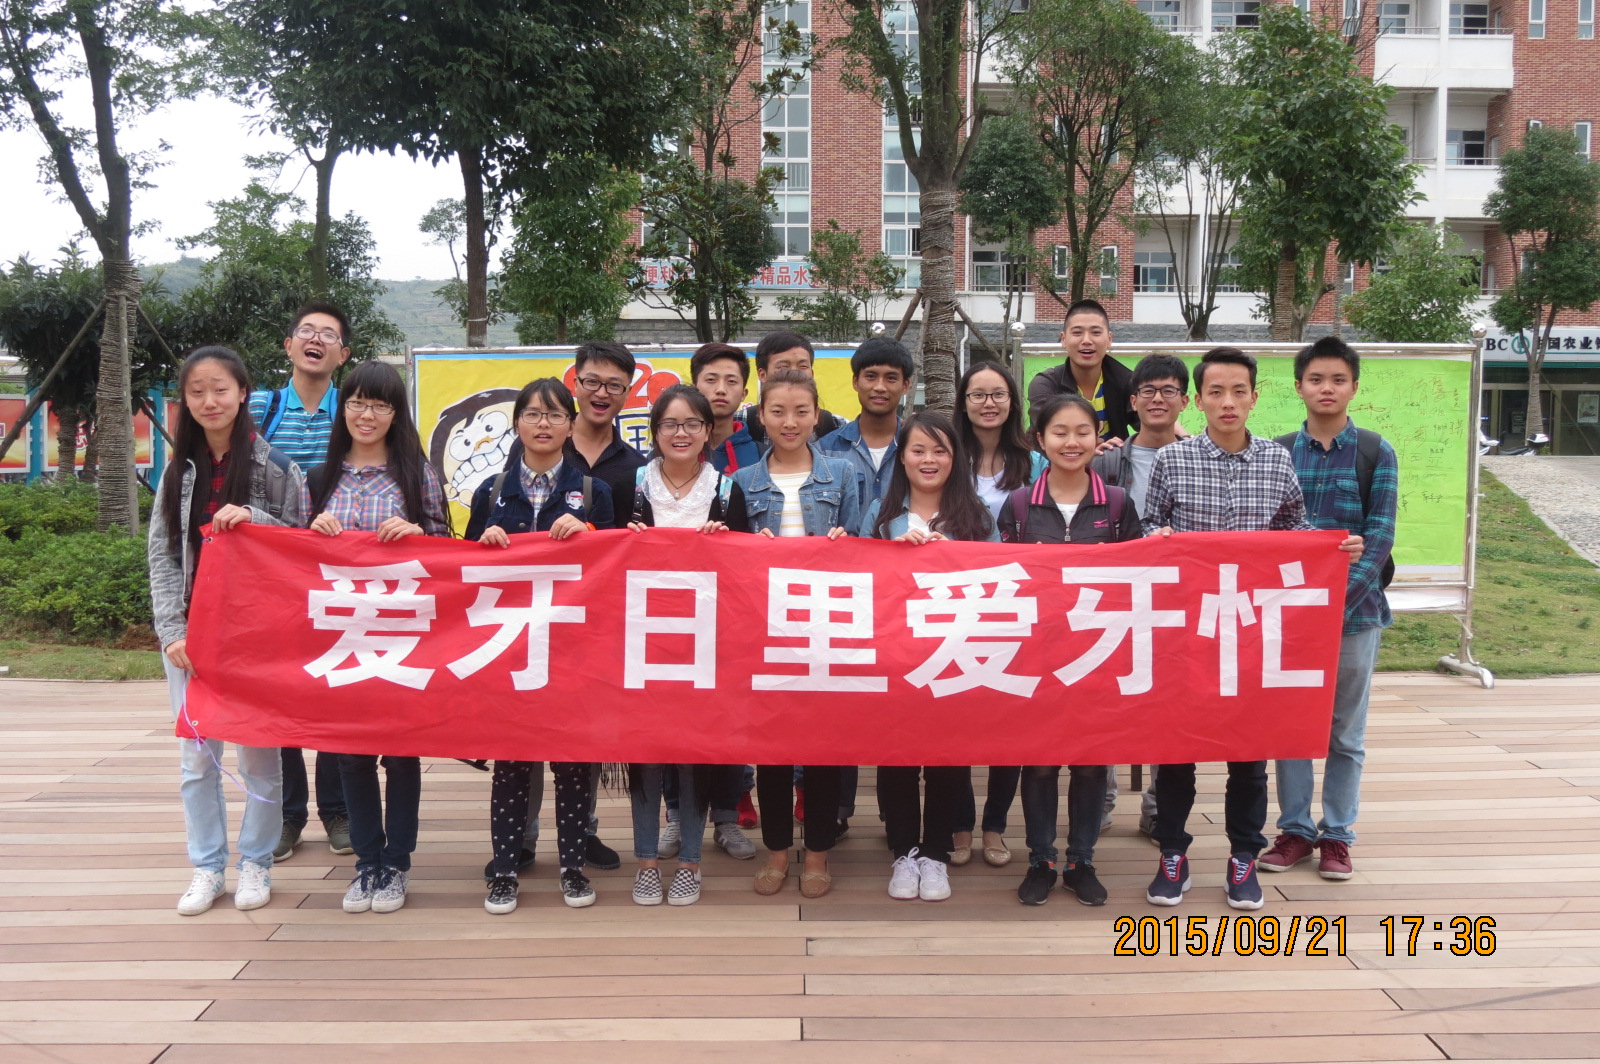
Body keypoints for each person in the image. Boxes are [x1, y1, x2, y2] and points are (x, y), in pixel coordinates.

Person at [1140, 347, 1364, 911]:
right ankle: (1173, 854)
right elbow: (1149, 527)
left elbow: (1294, 530)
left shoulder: (1275, 459)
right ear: (1197, 401)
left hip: (1251, 634)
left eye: (1238, 391)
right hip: (1187, 634)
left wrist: (1332, 548)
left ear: (1255, 397)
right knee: (1176, 749)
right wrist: (1156, 540)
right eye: (1215, 392)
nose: (1228, 402)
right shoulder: (1173, 460)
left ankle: (1243, 856)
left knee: (1249, 754)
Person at [149, 345, 303, 915]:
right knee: (196, 758)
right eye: (197, 392)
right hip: (191, 639)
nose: (209, 400)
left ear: (243, 394)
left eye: (220, 389)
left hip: (257, 638)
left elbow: (304, 546)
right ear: (185, 402)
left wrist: (255, 519)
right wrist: (172, 631)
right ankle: (207, 867)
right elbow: (163, 556)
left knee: (259, 755)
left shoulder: (277, 467)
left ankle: (257, 862)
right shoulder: (176, 474)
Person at [301, 361, 451, 915]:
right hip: (342, 634)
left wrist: (417, 533)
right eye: (357, 403)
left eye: (381, 405)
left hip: (400, 633)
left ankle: (398, 864)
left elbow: (446, 545)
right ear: (343, 408)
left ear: (396, 413)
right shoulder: (319, 477)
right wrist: (311, 533)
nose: (367, 415)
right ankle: (367, 863)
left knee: (401, 754)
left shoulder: (417, 474)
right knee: (350, 755)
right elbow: (293, 557)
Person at [467, 378, 615, 915]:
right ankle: (505, 870)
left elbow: (617, 568)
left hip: (572, 653)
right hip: (510, 652)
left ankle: (572, 868)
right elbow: (462, 573)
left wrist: (590, 531)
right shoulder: (490, 491)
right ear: (517, 424)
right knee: (511, 764)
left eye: (555, 415)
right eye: (532, 414)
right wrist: (484, 546)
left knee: (572, 764)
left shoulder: (594, 492)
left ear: (571, 424)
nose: (543, 424)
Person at [1259, 336, 1398, 881]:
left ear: (1353, 387)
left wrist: (1332, 604)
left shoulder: (1375, 452)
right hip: (1288, 617)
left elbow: (1380, 536)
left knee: (1346, 733)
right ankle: (1295, 830)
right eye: (1316, 379)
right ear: (1299, 386)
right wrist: (1300, 606)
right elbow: (1266, 534)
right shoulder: (1276, 452)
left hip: (1355, 617)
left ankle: (1338, 835)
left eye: (1338, 380)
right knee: (1291, 727)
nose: (1327, 388)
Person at [999, 394, 1142, 907]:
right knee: (1038, 763)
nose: (1072, 442)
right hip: (1036, 658)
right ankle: (1041, 859)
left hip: (1098, 655)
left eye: (1083, 431)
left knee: (1090, 763)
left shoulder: (1118, 503)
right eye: (1059, 432)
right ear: (1040, 440)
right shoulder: (1019, 505)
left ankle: (1082, 860)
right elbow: (1003, 581)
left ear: (1097, 438)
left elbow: (1139, 577)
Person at [734, 369, 861, 898]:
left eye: (801, 411)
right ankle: (777, 852)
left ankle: (819, 855)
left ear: (817, 415)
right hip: (767, 633)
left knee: (825, 750)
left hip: (828, 631)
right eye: (778, 411)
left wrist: (846, 542)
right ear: (761, 417)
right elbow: (729, 564)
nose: (790, 421)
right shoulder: (741, 481)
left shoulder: (844, 474)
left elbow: (864, 548)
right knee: (773, 752)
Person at [860, 411, 996, 902]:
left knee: (947, 760)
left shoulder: (976, 516)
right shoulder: (880, 514)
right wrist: (891, 555)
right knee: (896, 759)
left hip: (954, 661)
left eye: (940, 450)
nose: (929, 460)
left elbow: (999, 581)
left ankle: (936, 854)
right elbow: (858, 580)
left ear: (956, 458)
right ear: (902, 457)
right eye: (918, 450)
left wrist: (955, 558)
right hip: (894, 661)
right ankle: (904, 852)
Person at [624, 385, 758, 872]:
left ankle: (721, 819)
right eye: (670, 424)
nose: (680, 433)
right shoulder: (633, 485)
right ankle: (676, 817)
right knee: (658, 733)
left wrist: (725, 542)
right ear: (654, 431)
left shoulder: (726, 490)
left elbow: (744, 565)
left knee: (712, 730)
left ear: (707, 431)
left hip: (710, 635)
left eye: (692, 424)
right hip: (647, 633)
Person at [248, 302, 353, 862]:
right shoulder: (258, 409)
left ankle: (337, 810)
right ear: (288, 345)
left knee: (335, 688)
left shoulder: (355, 411)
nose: (316, 340)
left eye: (328, 335)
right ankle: (288, 814)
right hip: (273, 577)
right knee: (281, 691)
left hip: (337, 577)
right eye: (307, 331)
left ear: (344, 354)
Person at [1090, 353, 1192, 839]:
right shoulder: (1107, 460)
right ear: (1132, 401)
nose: (1157, 399)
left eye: (1169, 390)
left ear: (1184, 401)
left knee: (1170, 706)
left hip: (1180, 599)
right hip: (1117, 597)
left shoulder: (1198, 457)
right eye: (1148, 391)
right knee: (1108, 700)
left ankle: (1158, 809)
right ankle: (1101, 801)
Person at [949, 360, 1045, 867]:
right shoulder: (948, 455)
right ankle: (961, 825)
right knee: (958, 720)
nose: (988, 403)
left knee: (1011, 723)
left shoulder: (1034, 460)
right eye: (978, 395)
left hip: (1017, 605)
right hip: (955, 604)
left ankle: (994, 826)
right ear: (963, 403)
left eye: (998, 394)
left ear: (1012, 401)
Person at [816, 337, 912, 835]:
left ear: (906, 385)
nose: (880, 386)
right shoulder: (825, 448)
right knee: (843, 703)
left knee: (899, 705)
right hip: (844, 596)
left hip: (906, 599)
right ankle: (837, 809)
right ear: (854, 382)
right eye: (870, 376)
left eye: (891, 378)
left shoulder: (920, 445)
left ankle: (898, 816)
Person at [558, 339, 643, 874]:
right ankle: (522, 836)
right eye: (592, 381)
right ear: (575, 382)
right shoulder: (540, 445)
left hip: (603, 621)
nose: (601, 393)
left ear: (627, 394)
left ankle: (582, 828)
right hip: (540, 616)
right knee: (526, 730)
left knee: (586, 731)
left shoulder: (636, 466)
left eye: (614, 385)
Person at [1026, 298, 1136, 444]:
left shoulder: (1127, 381)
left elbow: (1150, 426)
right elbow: (1045, 435)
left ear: (1109, 339)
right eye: (1077, 333)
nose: (1086, 340)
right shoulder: (1046, 384)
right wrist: (1091, 450)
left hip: (1114, 458)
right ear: (1063, 339)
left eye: (1096, 332)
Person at [741, 330, 841, 446]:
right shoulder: (740, 423)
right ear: (763, 375)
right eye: (783, 367)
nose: (794, 373)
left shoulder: (838, 427)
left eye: (803, 366)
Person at [691, 342, 760, 474]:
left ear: (743, 394)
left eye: (731, 381)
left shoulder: (763, 457)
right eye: (711, 380)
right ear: (694, 389)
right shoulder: (672, 454)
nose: (721, 390)